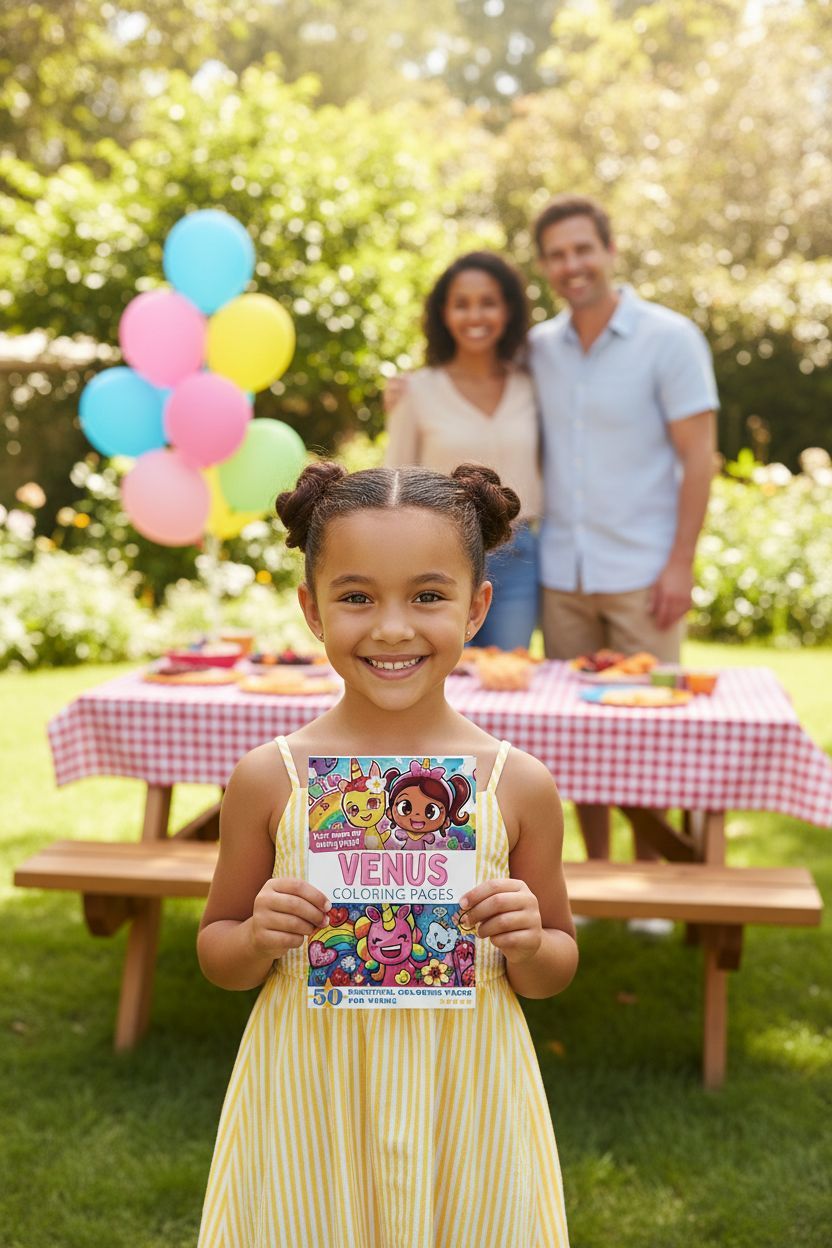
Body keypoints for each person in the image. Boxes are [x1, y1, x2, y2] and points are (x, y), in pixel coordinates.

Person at [197, 461, 578, 1247]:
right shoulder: (273, 777)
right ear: (312, 608)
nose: (393, 627)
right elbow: (218, 953)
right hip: (309, 1097)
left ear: (477, 609)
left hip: (465, 1092)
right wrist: (257, 936)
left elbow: (553, 971)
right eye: (357, 596)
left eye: (428, 597)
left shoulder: (516, 784)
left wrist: (530, 940)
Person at [531, 194, 718, 862]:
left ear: (610, 252)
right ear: (545, 267)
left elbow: (700, 456)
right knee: (577, 735)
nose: (572, 264)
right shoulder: (539, 348)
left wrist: (679, 564)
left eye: (583, 249)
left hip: (644, 573)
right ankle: (597, 868)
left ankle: (651, 875)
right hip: (563, 573)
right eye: (557, 254)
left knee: (649, 730)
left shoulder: (669, 339)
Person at [384, 251, 542, 650]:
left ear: (507, 310)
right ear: (444, 313)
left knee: (505, 676)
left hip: (519, 554)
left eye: (488, 302)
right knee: (440, 677)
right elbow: (393, 484)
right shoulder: (415, 391)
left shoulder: (533, 385)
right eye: (462, 304)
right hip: (437, 555)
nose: (476, 316)